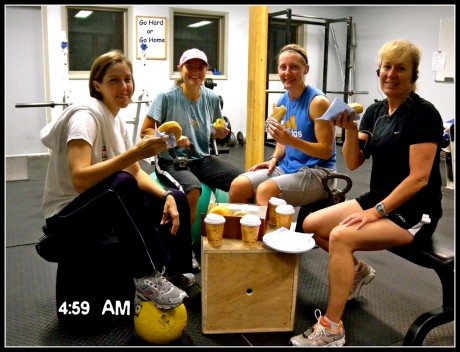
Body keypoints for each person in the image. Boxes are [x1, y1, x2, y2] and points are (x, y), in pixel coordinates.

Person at [290, 39, 444, 346]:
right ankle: (357, 272)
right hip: (378, 198)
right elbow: (353, 161)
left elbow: (419, 178)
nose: (391, 74)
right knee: (312, 225)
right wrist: (348, 128)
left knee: (340, 237)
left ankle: (332, 329)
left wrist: (376, 213)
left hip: (415, 211)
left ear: (412, 75)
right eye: (387, 67)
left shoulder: (424, 114)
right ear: (379, 70)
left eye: (400, 68)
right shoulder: (375, 111)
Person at [40, 50, 196, 311]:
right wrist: (135, 152)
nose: (124, 87)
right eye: (114, 80)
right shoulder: (85, 117)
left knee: (176, 197)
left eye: (128, 79)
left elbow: (136, 171)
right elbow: (80, 180)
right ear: (97, 85)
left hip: (100, 205)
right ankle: (146, 275)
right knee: (120, 183)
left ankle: (172, 271)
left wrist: (166, 196)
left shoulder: (116, 121)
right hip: (66, 216)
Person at [140, 48, 242, 227]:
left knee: (242, 182)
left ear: (206, 70)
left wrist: (219, 133)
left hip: (201, 158)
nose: (195, 72)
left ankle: (233, 235)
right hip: (169, 160)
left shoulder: (212, 98)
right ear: (181, 69)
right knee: (193, 190)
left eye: (200, 67)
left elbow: (213, 129)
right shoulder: (166, 97)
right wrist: (171, 139)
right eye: (190, 67)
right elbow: (145, 131)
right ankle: (185, 247)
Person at [228, 44, 336, 207]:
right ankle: (248, 232)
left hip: (319, 172)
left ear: (306, 69)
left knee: (265, 192)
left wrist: (291, 141)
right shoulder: (280, 102)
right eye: (283, 67)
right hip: (288, 167)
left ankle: (270, 232)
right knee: (238, 186)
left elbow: (326, 151)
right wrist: (275, 158)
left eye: (294, 67)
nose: (287, 73)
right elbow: (282, 139)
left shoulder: (318, 103)